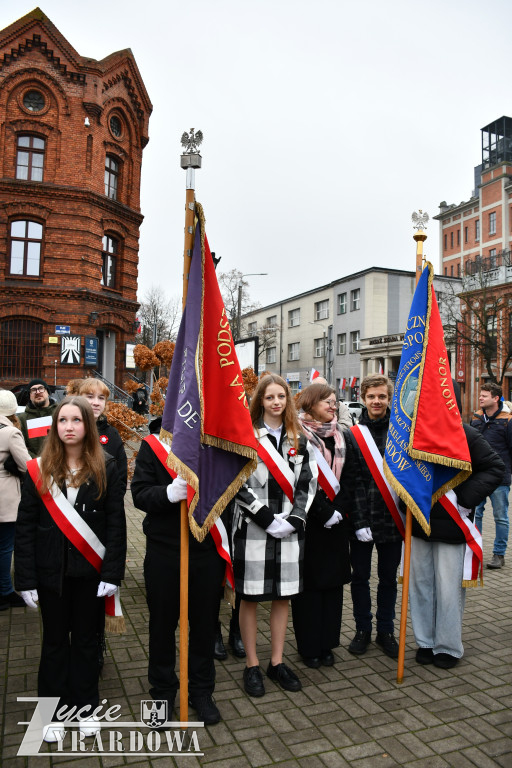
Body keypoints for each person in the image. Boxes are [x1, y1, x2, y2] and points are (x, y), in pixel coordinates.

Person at [14, 396, 126, 742]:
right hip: (51, 575)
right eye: (62, 420)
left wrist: (112, 574)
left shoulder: (106, 466)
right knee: (54, 643)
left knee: (87, 644)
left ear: (87, 425)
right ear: (55, 426)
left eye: (76, 420)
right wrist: (26, 579)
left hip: (90, 575)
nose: (69, 427)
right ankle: (51, 713)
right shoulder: (38, 468)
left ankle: (85, 708)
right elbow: (26, 526)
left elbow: (116, 525)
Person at [131, 416, 225, 725]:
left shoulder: (213, 445)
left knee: (204, 625)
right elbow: (140, 494)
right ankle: (162, 692)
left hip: (206, 549)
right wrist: (168, 493)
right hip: (164, 550)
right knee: (162, 625)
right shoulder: (152, 446)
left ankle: (201, 691)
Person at [232, 374, 317, 698]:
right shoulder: (246, 437)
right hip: (254, 528)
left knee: (283, 596)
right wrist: (266, 518)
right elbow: (236, 482)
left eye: (281, 396)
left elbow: (308, 482)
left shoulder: (300, 438)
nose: (276, 402)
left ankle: (277, 662)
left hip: (290, 530)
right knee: (251, 597)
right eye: (269, 397)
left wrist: (296, 518)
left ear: (288, 399)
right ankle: (252, 664)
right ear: (260, 401)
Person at [410, 422, 504, 669]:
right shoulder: (411, 431)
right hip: (419, 523)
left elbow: (495, 467)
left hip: (452, 526)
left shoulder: (466, 433)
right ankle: (425, 642)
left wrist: (465, 498)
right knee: (420, 587)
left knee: (448, 589)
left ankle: (447, 646)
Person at [292, 383, 353, 668]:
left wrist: (339, 510)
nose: (333, 406)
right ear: (311, 404)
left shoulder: (342, 436)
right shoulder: (296, 436)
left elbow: (350, 477)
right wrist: (323, 511)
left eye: (335, 401)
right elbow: (297, 481)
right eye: (327, 401)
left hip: (337, 522)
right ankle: (309, 647)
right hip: (310, 522)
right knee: (310, 588)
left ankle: (328, 643)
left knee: (333, 586)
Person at [344, 374, 403, 659]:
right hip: (363, 520)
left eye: (382, 396)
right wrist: (358, 521)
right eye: (371, 396)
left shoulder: (402, 433)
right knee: (360, 579)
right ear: (363, 398)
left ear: (389, 398)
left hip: (393, 519)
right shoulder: (353, 435)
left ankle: (386, 631)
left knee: (388, 579)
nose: (376, 401)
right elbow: (352, 481)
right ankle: (362, 629)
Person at [470, 382, 512, 569]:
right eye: (480, 395)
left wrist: (507, 472)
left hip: (500, 478)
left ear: (495, 398)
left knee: (500, 517)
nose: (480, 398)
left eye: (484, 396)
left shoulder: (507, 421)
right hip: (478, 477)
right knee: (476, 514)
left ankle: (499, 554)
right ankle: (475, 551)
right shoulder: (476, 418)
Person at [0, 390, 31, 610]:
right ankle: (4, 591)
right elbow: (27, 466)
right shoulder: (10, 432)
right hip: (5, 498)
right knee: (5, 547)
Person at [78, 379, 128, 495]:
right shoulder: (68, 430)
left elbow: (120, 476)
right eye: (90, 397)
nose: (96, 403)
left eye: (101, 398)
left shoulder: (112, 434)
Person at [18, 378, 58, 458]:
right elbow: (21, 447)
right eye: (33, 390)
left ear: (48, 392)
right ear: (30, 396)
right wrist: (39, 461)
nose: (37, 392)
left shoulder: (59, 413)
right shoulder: (22, 419)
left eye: (41, 388)